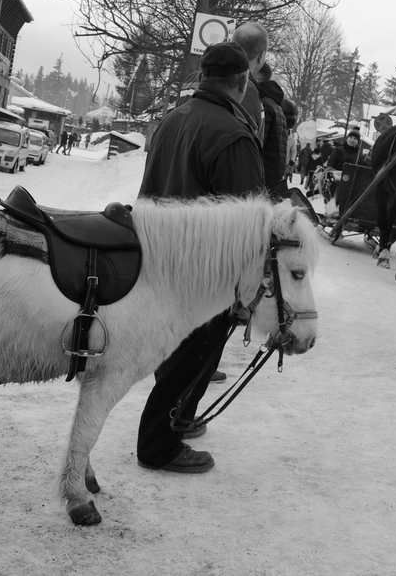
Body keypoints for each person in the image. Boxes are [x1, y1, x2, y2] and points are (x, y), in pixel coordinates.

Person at [137, 41, 264, 473]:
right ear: (242, 81)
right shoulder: (232, 134)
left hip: (158, 255)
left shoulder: (173, 120)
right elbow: (247, 220)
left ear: (203, 76)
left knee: (175, 352)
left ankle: (176, 419)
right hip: (203, 270)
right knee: (195, 354)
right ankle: (160, 443)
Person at [255, 61, 288, 196]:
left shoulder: (264, 105)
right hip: (271, 175)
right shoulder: (274, 103)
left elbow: (258, 144)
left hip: (262, 176)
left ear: (256, 77)